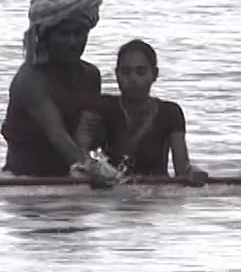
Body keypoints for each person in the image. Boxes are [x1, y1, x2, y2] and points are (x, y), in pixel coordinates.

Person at [0, 0, 117, 184]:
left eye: (79, 33)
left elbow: (85, 137)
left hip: (69, 183)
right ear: (46, 37)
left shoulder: (90, 75)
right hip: (25, 185)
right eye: (64, 34)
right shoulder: (30, 78)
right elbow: (58, 137)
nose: (73, 41)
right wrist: (96, 170)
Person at [81, 39, 207, 184]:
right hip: (111, 194)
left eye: (141, 72)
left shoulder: (170, 112)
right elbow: (81, 155)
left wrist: (195, 172)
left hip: (156, 195)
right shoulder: (103, 107)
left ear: (155, 74)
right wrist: (95, 172)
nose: (133, 79)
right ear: (117, 74)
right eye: (126, 72)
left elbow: (182, 169)